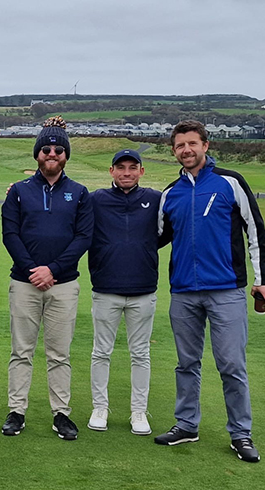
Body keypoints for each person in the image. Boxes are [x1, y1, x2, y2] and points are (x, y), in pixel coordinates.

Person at [155, 120, 265, 463]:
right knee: (186, 364)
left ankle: (240, 433)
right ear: (174, 150)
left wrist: (263, 279)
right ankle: (186, 424)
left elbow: (256, 232)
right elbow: (155, 238)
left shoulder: (230, 182)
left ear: (205, 145)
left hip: (227, 291)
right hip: (183, 292)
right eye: (180, 146)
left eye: (192, 144)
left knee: (231, 364)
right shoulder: (170, 193)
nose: (186, 150)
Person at [0, 116, 93, 439]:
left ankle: (61, 413)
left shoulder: (80, 193)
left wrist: (52, 269)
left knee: (59, 353)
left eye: (58, 149)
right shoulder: (19, 192)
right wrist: (33, 270)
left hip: (63, 284)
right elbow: (10, 234)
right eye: (46, 149)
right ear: (36, 154)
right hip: (25, 284)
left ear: (66, 155)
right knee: (21, 351)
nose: (51, 154)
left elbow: (83, 237)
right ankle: (16, 411)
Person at [87, 149, 161, 436]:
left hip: (143, 289)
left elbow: (163, 233)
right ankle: (99, 407)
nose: (127, 172)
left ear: (141, 171)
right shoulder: (96, 200)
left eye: (133, 167)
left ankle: (139, 412)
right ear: (111, 171)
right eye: (121, 168)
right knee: (101, 352)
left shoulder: (155, 199)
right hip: (106, 288)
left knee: (140, 354)